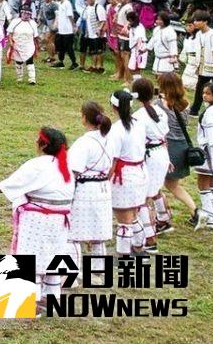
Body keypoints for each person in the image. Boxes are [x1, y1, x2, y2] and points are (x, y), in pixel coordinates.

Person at [0, 127, 75, 311]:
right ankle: (50, 298)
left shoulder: (38, 165)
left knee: (32, 256)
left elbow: (10, 184)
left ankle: (31, 303)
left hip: (39, 218)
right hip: (60, 220)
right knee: (51, 255)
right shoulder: (65, 166)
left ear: (43, 144)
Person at [67, 102, 113, 280]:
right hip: (102, 188)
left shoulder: (84, 142)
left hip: (85, 189)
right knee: (98, 231)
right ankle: (98, 270)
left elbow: (74, 169)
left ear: (85, 118)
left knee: (73, 232)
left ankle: (70, 274)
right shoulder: (109, 138)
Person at [105, 90, 151, 253]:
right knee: (133, 214)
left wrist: (104, 180)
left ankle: (124, 254)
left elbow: (114, 160)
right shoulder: (139, 124)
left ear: (113, 106)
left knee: (124, 220)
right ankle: (140, 247)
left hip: (124, 178)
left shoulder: (116, 130)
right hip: (140, 173)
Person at [131, 78, 169, 252]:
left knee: (143, 198)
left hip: (150, 155)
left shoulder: (138, 117)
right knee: (155, 190)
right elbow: (164, 137)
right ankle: (163, 218)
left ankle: (149, 238)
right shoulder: (161, 111)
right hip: (161, 152)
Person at [157, 72, 199, 228]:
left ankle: (161, 216)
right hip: (182, 145)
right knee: (172, 184)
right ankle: (195, 211)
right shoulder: (185, 103)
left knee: (157, 183)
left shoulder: (160, 104)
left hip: (169, 146)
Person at [196, 81, 213, 228]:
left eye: (208, 93)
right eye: (203, 93)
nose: (204, 96)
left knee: (204, 182)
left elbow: (212, 134)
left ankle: (210, 216)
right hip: (211, 150)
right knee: (212, 182)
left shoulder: (211, 112)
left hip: (209, 151)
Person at [188, 11, 213, 115]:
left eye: (197, 20)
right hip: (202, 66)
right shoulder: (199, 34)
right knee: (200, 87)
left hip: (212, 65)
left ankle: (210, 109)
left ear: (205, 22)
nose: (195, 22)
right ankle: (195, 109)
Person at [7, 8, 38, 85]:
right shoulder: (15, 21)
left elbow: (35, 36)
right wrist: (10, 41)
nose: (26, 16)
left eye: (28, 14)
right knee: (18, 61)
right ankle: (19, 78)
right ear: (21, 13)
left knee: (29, 61)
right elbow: (10, 32)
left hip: (28, 45)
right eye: (24, 14)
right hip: (17, 44)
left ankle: (32, 79)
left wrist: (37, 45)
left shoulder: (33, 23)